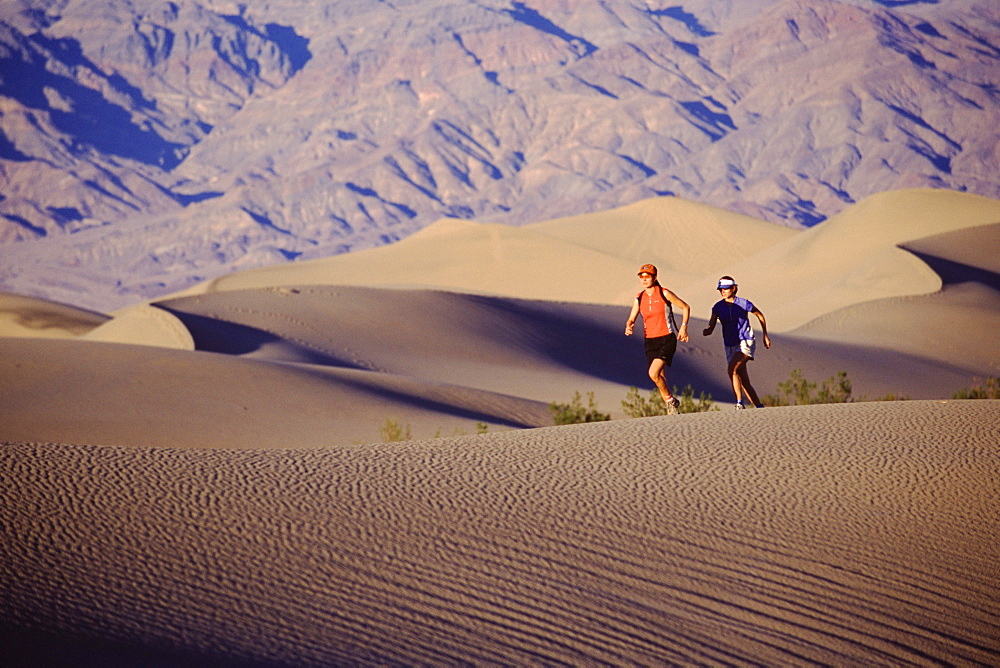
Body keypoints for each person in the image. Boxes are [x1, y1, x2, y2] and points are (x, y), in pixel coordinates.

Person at [625, 264, 691, 414]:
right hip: (650, 341)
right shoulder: (639, 297)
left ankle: (671, 401)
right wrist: (629, 325)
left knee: (653, 373)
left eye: (647, 276)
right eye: (641, 277)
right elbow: (631, 318)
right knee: (659, 376)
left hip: (667, 338)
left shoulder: (664, 293)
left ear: (654, 278)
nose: (644, 279)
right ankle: (671, 409)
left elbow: (685, 307)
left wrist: (684, 327)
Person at [702, 276, 770, 409]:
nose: (723, 291)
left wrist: (765, 335)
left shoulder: (744, 303)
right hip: (729, 345)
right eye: (721, 289)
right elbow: (712, 324)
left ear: (733, 289)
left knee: (732, 369)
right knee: (743, 379)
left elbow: (759, 315)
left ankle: (739, 403)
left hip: (745, 341)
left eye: (725, 289)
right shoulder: (717, 307)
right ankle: (759, 406)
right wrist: (708, 330)